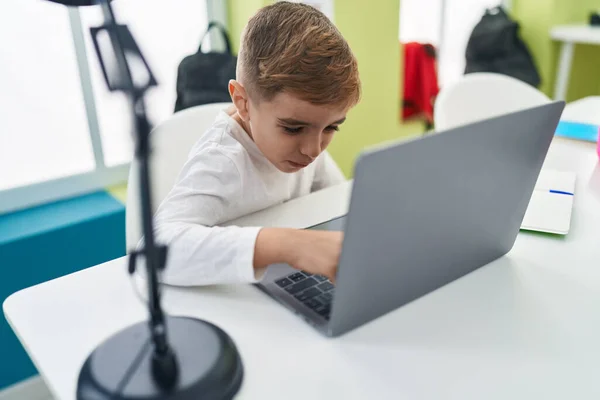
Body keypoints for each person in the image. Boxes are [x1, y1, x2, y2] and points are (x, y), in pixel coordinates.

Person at [151, 1, 361, 286]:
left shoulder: (306, 142)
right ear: (242, 102)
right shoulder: (222, 159)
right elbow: (155, 250)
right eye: (292, 128)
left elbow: (339, 203)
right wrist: (286, 244)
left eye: (331, 127)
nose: (313, 150)